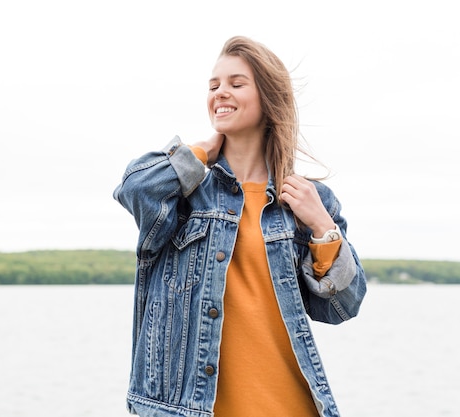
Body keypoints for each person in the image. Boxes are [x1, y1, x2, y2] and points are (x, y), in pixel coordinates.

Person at [113, 35, 367, 417]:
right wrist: (198, 153)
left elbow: (342, 307)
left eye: (236, 83)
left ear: (268, 98)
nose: (220, 93)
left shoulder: (310, 200)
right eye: (213, 86)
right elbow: (134, 188)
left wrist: (322, 227)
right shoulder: (187, 190)